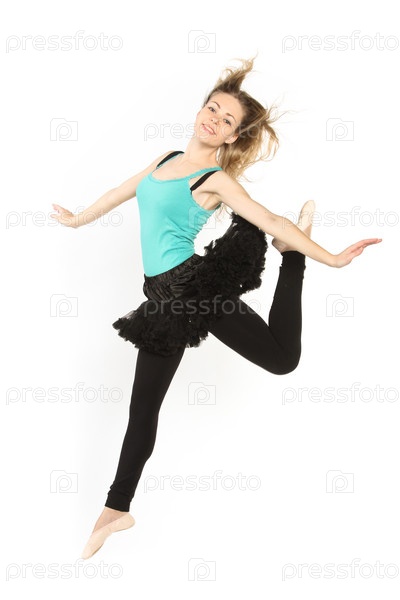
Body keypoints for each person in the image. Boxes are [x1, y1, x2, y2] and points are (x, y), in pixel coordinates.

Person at [50, 57, 381, 559]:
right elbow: (120, 193)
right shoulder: (164, 160)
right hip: (162, 298)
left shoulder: (214, 179)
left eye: (227, 120)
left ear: (231, 136)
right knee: (143, 408)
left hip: (194, 289)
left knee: (283, 360)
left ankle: (293, 261)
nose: (215, 120)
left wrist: (332, 258)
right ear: (201, 109)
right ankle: (116, 510)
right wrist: (77, 220)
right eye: (213, 109)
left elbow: (270, 219)